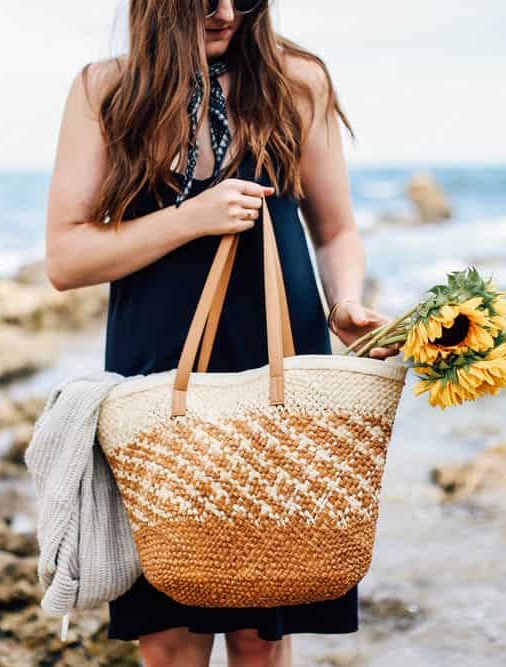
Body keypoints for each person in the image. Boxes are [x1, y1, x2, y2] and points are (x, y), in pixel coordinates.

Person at [45, 1, 401, 664]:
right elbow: (65, 259)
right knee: (168, 639)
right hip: (157, 374)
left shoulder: (296, 81)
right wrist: (191, 218)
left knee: (262, 628)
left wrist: (345, 304)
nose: (225, 11)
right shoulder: (106, 89)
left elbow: (335, 229)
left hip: (278, 356)